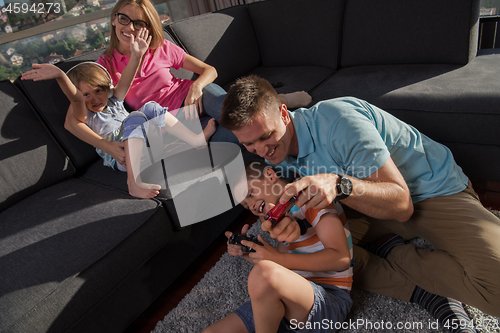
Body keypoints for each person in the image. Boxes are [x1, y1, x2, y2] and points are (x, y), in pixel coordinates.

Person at [219, 75, 500, 332]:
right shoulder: (274, 154)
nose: (262, 150)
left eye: (266, 136)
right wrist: (286, 228)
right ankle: (423, 286)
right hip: (369, 207)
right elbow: (279, 203)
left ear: (282, 112)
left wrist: (339, 184)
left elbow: (402, 205)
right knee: (320, 253)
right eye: (249, 145)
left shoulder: (339, 122)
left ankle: (392, 251)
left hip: (431, 192)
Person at [64, 0, 312, 170]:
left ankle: (286, 113)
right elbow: (73, 122)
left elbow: (209, 70)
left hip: (195, 96)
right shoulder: (103, 67)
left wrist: (196, 86)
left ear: (147, 27)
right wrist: (108, 146)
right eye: (124, 19)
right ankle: (273, 103)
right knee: (228, 143)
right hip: (172, 122)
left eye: (139, 23)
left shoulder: (159, 48)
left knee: (243, 118)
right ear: (113, 20)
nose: (130, 28)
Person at [22, 28, 216, 199]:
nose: (94, 99)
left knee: (150, 107)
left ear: (107, 89)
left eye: (99, 91)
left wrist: (137, 55)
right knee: (134, 118)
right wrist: (60, 76)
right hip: (122, 157)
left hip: (145, 145)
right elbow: (75, 98)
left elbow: (127, 78)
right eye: (87, 94)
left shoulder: (114, 100)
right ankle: (134, 182)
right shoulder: (86, 114)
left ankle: (194, 140)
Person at [203, 159, 353, 333]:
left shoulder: (311, 200)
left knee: (264, 274)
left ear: (270, 175)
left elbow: (341, 259)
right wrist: (251, 253)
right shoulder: (278, 219)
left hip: (329, 300)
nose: (251, 206)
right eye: (245, 205)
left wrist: (274, 259)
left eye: (250, 193)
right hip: (291, 297)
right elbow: (282, 269)